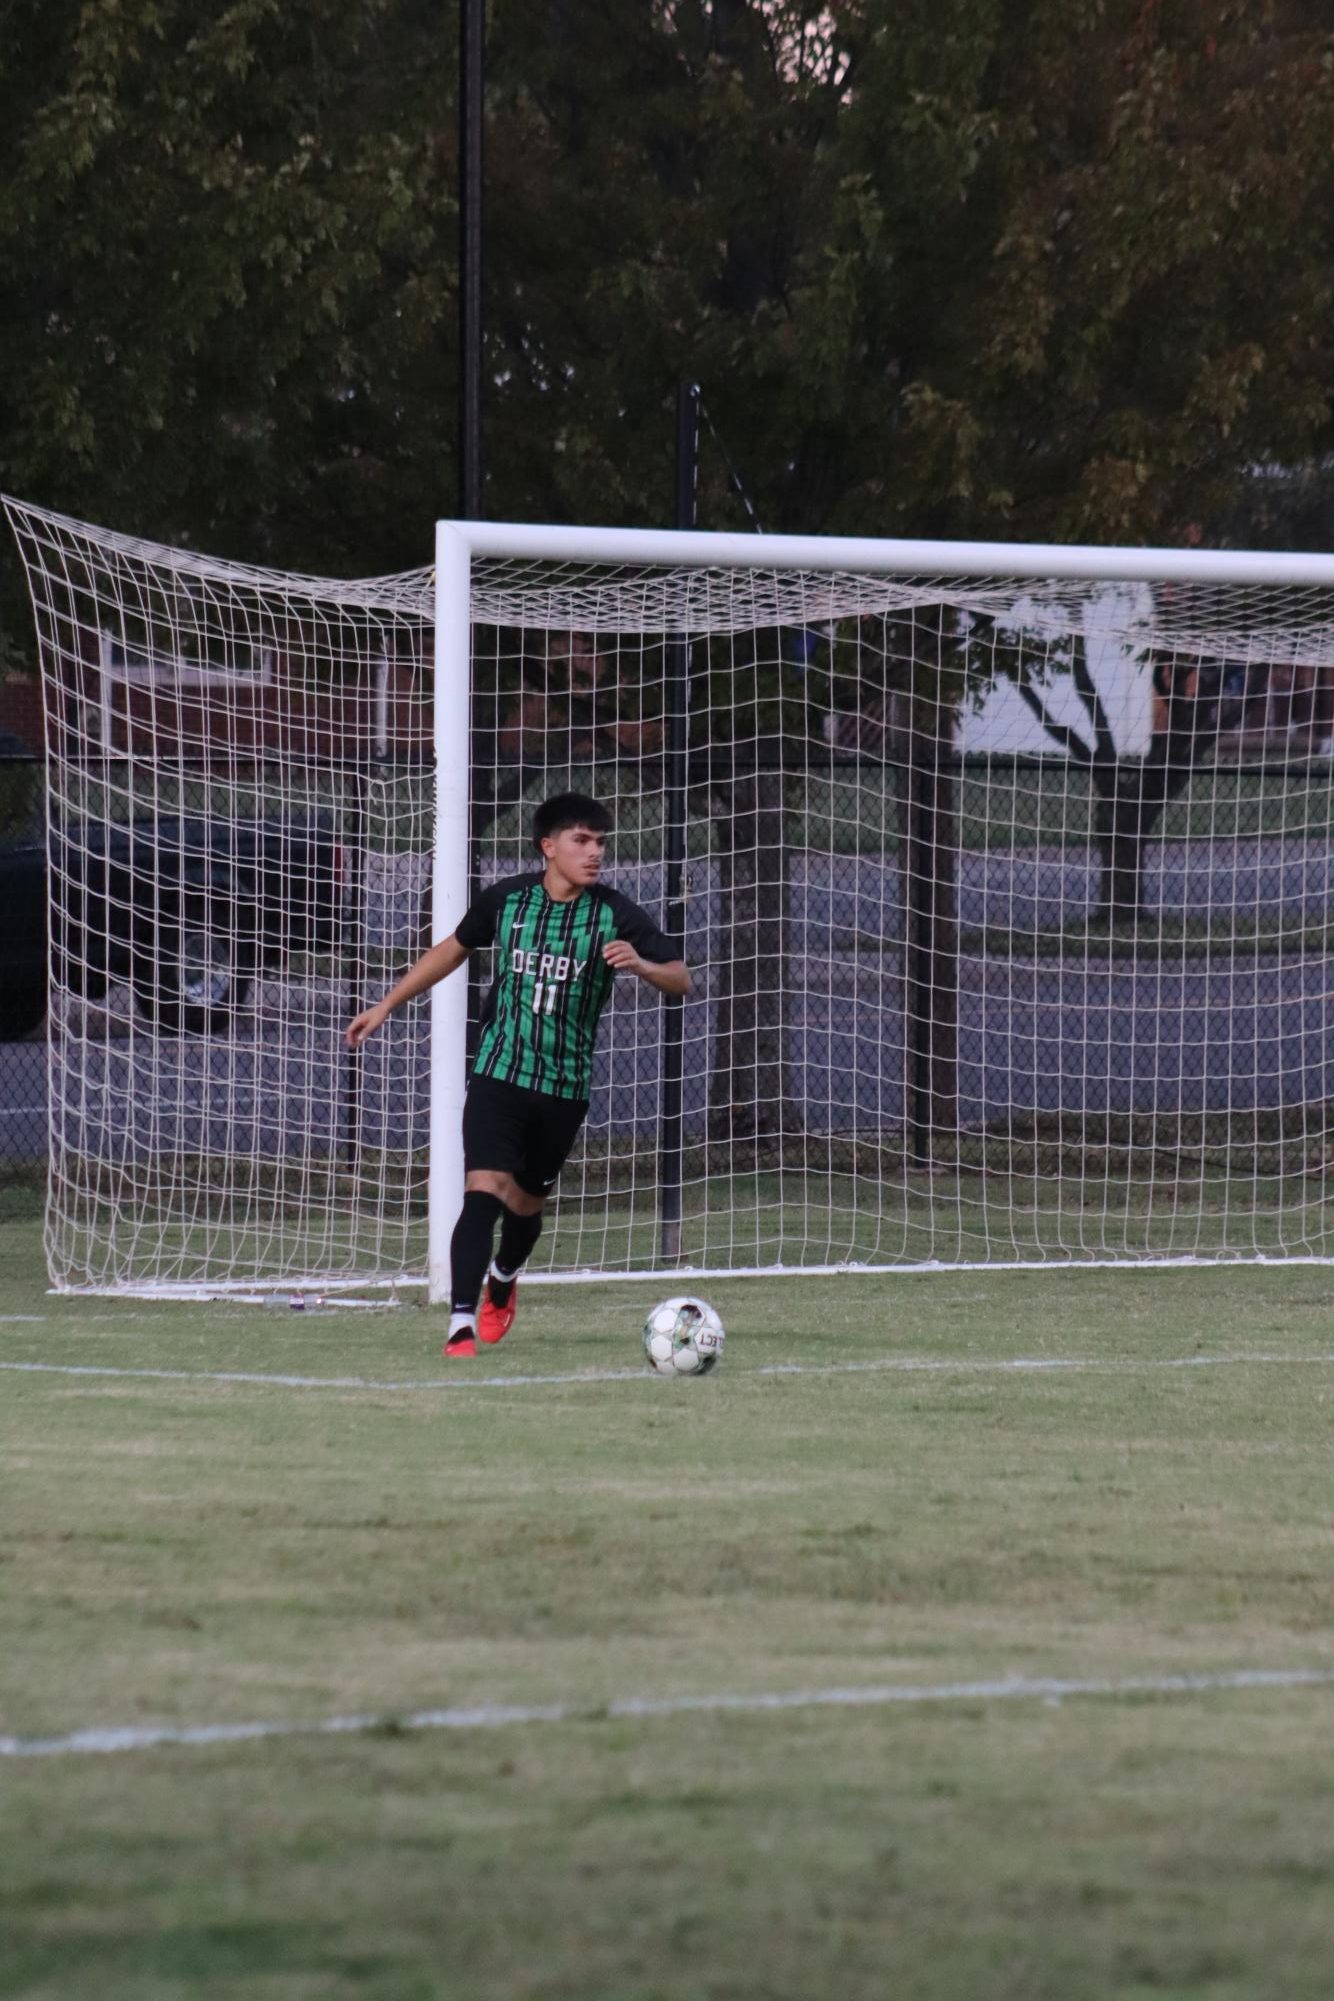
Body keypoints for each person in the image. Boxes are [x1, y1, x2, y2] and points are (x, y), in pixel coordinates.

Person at [346, 792, 690, 1356]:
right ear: (547, 847)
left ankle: (504, 1277)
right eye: (582, 840)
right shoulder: (507, 901)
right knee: (482, 1189)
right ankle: (460, 1323)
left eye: (600, 842)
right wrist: (386, 1005)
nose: (595, 852)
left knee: (526, 1205)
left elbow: (682, 978)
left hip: (564, 1088)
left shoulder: (614, 912)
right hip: (499, 1073)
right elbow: (451, 950)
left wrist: (643, 964)